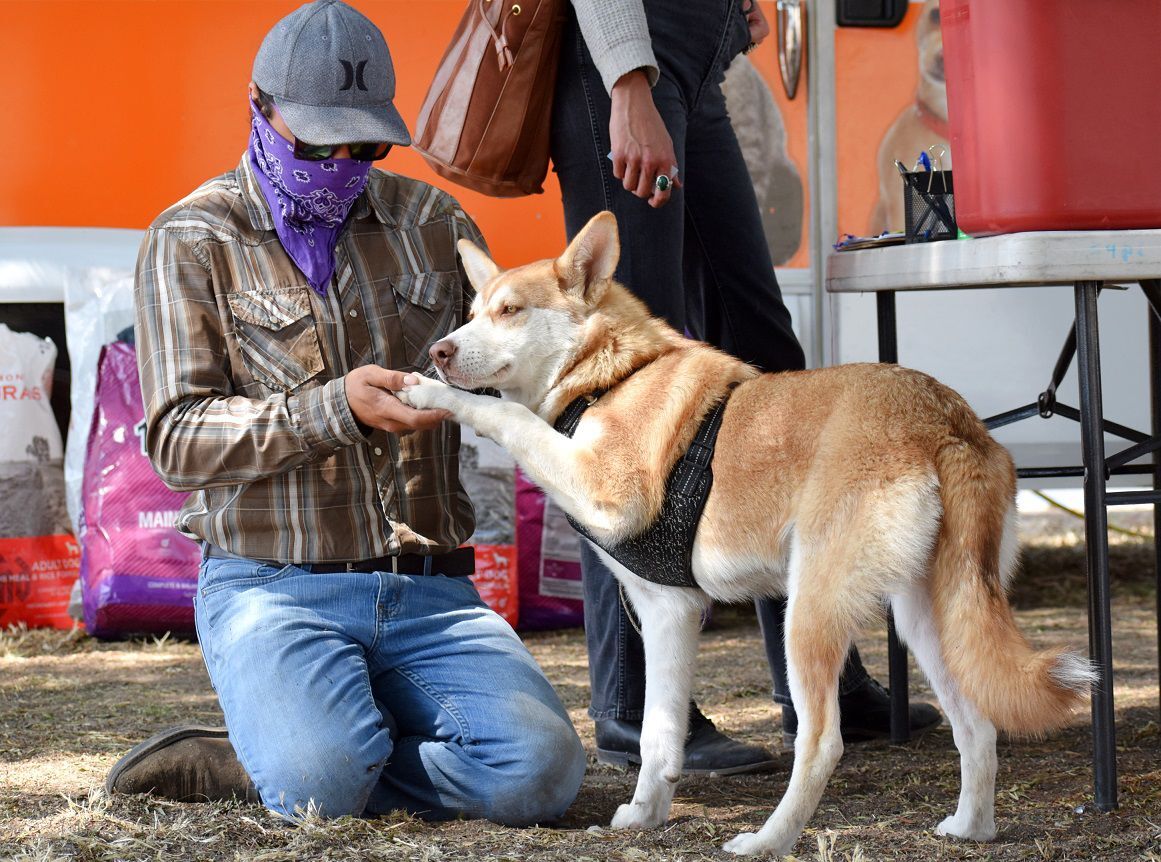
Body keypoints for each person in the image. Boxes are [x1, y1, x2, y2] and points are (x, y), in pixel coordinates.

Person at [106, 0, 585, 825]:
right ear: (259, 108)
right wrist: (334, 410)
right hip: (272, 588)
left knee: (540, 774)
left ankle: (303, 748)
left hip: (429, 590)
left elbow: (508, 355)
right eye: (319, 143)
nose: (342, 161)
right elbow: (177, 440)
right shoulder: (192, 238)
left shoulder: (434, 222)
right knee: (322, 787)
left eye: (366, 145)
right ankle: (294, 751)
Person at [550, 0, 941, 771]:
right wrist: (627, 81)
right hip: (627, 60)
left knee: (766, 360)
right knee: (631, 392)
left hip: (696, 67)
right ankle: (634, 706)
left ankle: (818, 676)